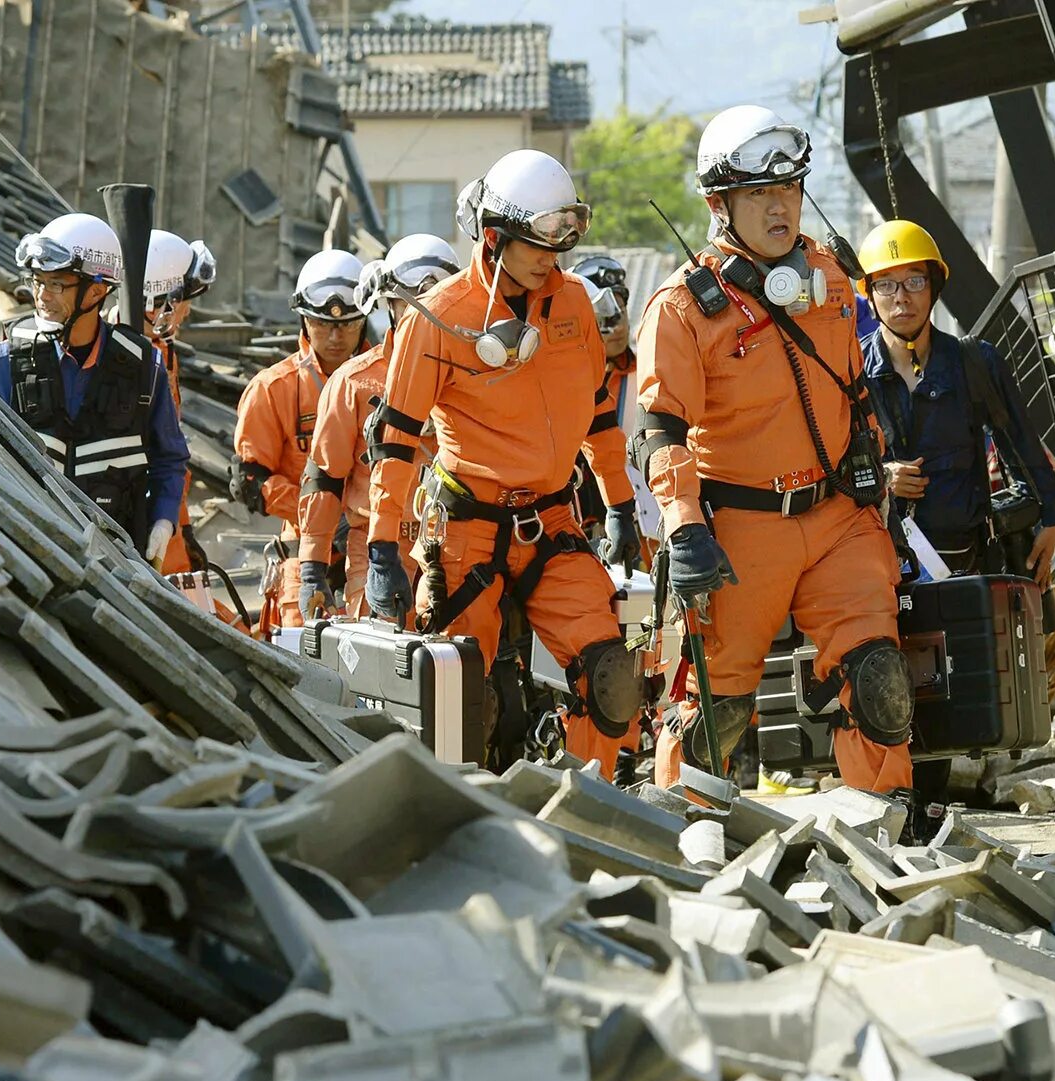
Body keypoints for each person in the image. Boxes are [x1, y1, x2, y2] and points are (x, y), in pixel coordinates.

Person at [633, 105, 914, 797]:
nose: (779, 206)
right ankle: (679, 834)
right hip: (739, 529)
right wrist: (685, 528)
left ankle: (887, 830)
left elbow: (854, 386)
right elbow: (659, 430)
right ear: (718, 204)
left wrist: (872, 470)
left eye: (788, 189)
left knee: (880, 678)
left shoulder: (827, 275)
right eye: (759, 193)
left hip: (837, 517)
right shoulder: (680, 308)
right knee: (716, 709)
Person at [364, 149, 638, 774]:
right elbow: (398, 439)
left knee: (612, 676)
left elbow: (598, 412)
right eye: (541, 242)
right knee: (459, 701)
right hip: (466, 531)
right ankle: (463, 818)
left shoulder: (573, 306)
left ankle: (584, 809)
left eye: (566, 238)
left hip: (553, 524)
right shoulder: (439, 320)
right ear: (493, 239)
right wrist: (384, 549)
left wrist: (619, 502)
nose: (555, 256)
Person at [0, 212, 189, 563]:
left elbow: (169, 458)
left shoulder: (145, 370)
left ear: (96, 289)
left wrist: (164, 521)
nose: (42, 295)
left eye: (56, 284)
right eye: (37, 281)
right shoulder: (0, 367)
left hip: (119, 566)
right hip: (27, 558)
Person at [856, 219, 1055, 579]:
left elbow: (1022, 446)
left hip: (968, 562)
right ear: (871, 296)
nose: (901, 296)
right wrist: (883, 476)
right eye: (886, 285)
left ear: (934, 288)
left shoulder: (975, 362)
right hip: (879, 564)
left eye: (915, 281)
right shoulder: (850, 373)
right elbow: (831, 466)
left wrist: (1050, 517)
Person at [297, 233, 460, 618]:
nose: (425, 316)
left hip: (462, 547)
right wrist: (311, 569)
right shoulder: (354, 383)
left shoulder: (481, 377)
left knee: (467, 665)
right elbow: (324, 478)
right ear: (389, 306)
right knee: (382, 665)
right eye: (411, 304)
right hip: (377, 551)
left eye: (437, 304)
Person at [232, 248, 369, 632]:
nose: (336, 336)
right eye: (323, 324)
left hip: (380, 556)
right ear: (304, 319)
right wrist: (323, 517)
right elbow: (250, 482)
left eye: (348, 324)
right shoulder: (273, 389)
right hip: (305, 566)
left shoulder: (392, 380)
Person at [144, 230, 219, 576]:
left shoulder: (163, 354)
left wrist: (182, 525)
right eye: (184, 301)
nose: (186, 313)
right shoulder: (128, 358)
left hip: (163, 515)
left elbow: (170, 456)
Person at [571, 255, 651, 573]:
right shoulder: (563, 380)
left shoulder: (650, 369)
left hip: (642, 524)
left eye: (620, 308)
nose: (616, 323)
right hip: (577, 526)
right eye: (604, 313)